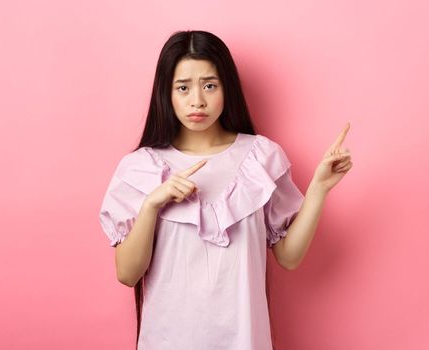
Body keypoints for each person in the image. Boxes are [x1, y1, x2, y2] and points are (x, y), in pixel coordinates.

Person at [98, 30, 353, 349]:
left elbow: (288, 257)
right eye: (183, 87)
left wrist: (319, 187)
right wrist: (152, 204)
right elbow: (127, 273)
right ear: (166, 93)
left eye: (209, 85)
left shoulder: (261, 157)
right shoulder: (140, 168)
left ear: (226, 88)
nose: (197, 100)